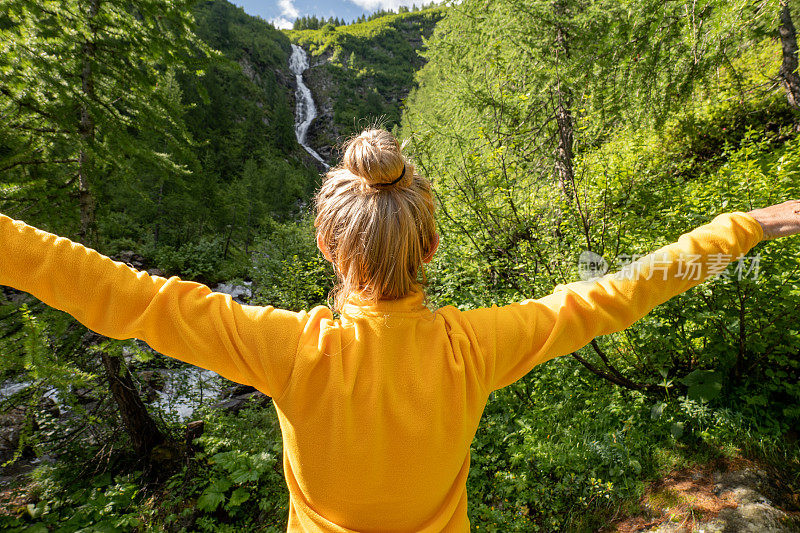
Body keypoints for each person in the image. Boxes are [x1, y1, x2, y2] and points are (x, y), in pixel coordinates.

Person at [0, 128, 798, 532]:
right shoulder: (476, 346)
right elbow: (618, 291)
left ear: (325, 245)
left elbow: (123, 295)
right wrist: (745, 224)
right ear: (432, 244)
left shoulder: (286, 347)